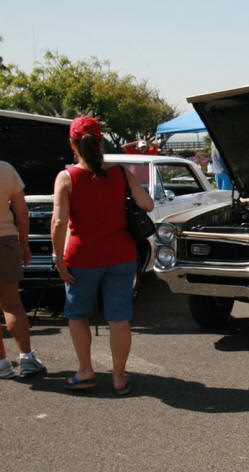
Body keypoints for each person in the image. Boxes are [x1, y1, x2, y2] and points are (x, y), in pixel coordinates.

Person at [51, 116, 154, 395]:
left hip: (81, 257)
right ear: (100, 142)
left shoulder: (67, 177)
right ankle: (119, 378)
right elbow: (147, 204)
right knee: (119, 318)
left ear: (73, 145)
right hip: (121, 255)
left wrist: (57, 258)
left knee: (77, 315)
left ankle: (85, 371)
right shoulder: (121, 172)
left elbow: (59, 222)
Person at [0, 160, 46, 379]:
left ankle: (2, 364)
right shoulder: (6, 169)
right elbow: (21, 211)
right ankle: (27, 358)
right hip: (5, 241)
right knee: (11, 304)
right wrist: (24, 243)